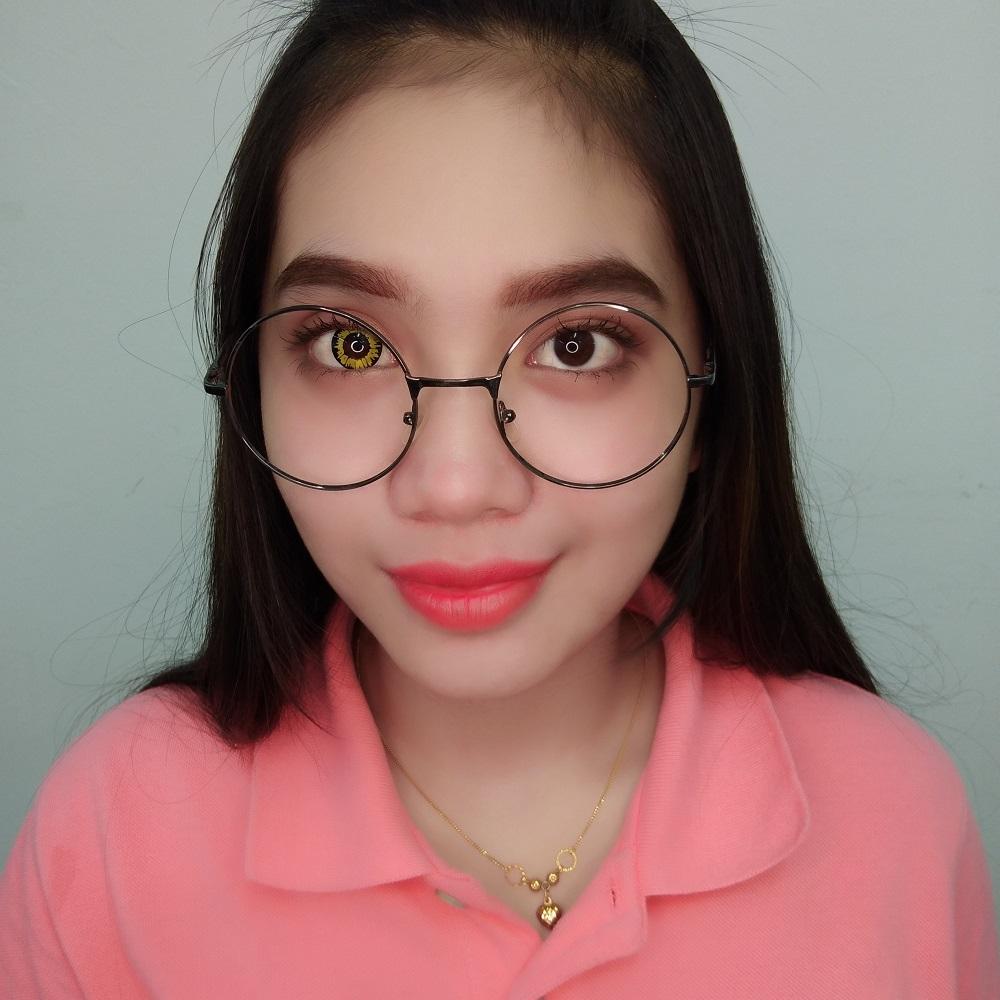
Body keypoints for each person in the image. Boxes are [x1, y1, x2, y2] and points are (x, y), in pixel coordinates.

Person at [2, 1, 997, 996]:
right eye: (352, 343)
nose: (454, 484)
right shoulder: (114, 832)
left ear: (711, 390)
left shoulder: (892, 814)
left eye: (576, 344)